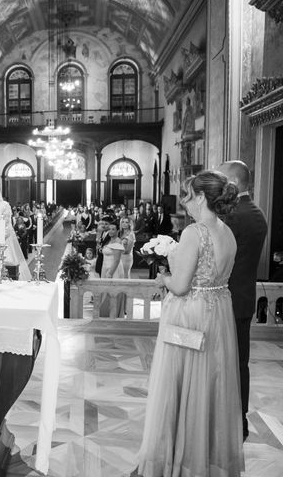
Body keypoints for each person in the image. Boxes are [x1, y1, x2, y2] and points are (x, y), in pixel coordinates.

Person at [135, 170, 243, 476]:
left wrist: (163, 277)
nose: (184, 201)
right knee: (210, 384)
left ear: (201, 197)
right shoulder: (226, 231)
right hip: (218, 312)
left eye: (187, 195)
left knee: (178, 385)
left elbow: (181, 286)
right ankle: (206, 459)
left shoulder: (195, 232)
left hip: (190, 314)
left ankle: (177, 460)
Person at [218, 160, 268, 441]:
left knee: (225, 364)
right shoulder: (257, 213)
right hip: (244, 298)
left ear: (233, 184)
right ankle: (239, 421)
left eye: (221, 180)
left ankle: (231, 423)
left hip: (225, 299)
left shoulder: (232, 216)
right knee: (240, 363)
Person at [98, 221, 125, 318]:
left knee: (113, 292)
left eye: (113, 229)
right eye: (109, 229)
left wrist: (110, 273)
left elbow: (117, 260)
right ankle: (105, 313)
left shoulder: (118, 241)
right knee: (105, 291)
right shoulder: (108, 240)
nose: (111, 231)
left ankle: (114, 314)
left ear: (118, 231)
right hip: (105, 267)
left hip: (114, 270)